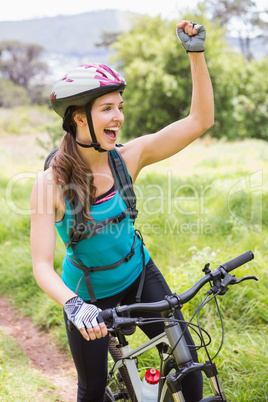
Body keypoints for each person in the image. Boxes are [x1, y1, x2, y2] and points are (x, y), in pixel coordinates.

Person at [30, 20, 214, 402]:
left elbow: (200, 121)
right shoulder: (50, 184)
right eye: (107, 109)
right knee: (93, 388)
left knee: (188, 362)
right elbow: (41, 267)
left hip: (138, 275)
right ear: (79, 117)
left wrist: (195, 54)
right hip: (87, 296)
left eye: (120, 107)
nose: (119, 117)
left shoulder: (128, 158)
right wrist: (75, 307)